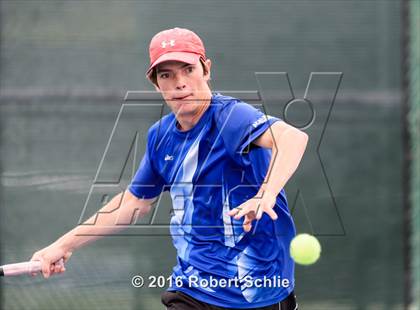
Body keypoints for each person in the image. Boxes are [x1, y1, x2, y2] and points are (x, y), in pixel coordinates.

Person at [30, 27, 308, 310]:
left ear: (206, 69)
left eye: (188, 69)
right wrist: (63, 246)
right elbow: (134, 202)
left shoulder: (232, 116)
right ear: (155, 84)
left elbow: (293, 138)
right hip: (191, 290)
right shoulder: (160, 136)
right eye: (167, 75)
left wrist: (266, 194)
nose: (180, 83)